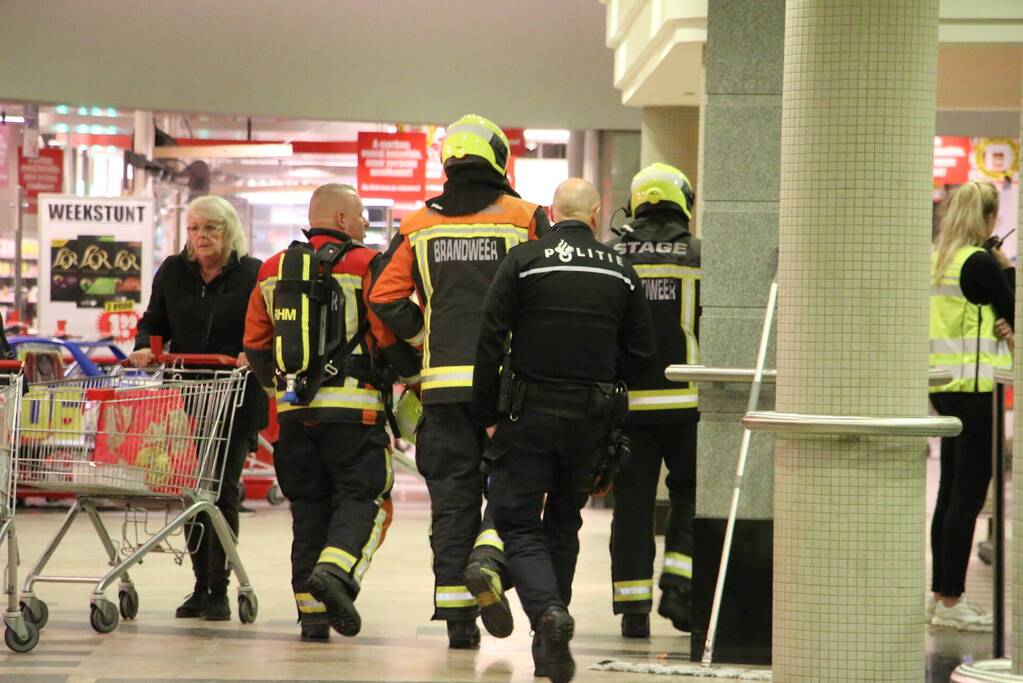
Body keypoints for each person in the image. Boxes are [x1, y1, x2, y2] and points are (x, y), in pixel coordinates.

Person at [369, 114, 550, 648]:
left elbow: (384, 297)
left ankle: (457, 621)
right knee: (515, 489)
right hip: (509, 388)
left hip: (442, 389)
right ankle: (488, 559)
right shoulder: (525, 217)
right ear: (498, 157)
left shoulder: (419, 223)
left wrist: (422, 343)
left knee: (452, 500)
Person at [472, 178, 655, 681]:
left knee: (519, 524)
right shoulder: (621, 269)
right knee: (564, 524)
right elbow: (643, 356)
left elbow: (489, 338)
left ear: (553, 212)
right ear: (596, 215)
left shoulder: (526, 260)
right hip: (590, 421)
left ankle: (550, 613)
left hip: (527, 417)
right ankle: (547, 647)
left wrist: (486, 413)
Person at [243, 183, 419, 642]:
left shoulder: (271, 269)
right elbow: (384, 332)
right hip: (356, 416)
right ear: (342, 220)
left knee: (309, 511)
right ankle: (335, 573)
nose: (364, 224)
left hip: (295, 418)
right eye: (360, 215)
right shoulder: (366, 264)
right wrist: (412, 374)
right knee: (365, 500)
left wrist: (283, 394)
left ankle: (312, 616)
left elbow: (256, 345)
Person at [130, 195, 265, 621]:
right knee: (191, 493)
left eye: (211, 228)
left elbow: (268, 328)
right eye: (193, 228)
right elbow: (153, 321)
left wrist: (252, 352)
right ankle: (199, 584)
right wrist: (142, 347)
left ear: (230, 231)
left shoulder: (253, 274)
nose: (200, 237)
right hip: (187, 398)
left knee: (221, 491)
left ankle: (220, 586)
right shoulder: (173, 271)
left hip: (234, 399)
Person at [607, 162, 701, 638]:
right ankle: (680, 586)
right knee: (689, 494)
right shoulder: (701, 254)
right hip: (688, 404)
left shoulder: (612, 255)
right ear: (683, 200)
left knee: (633, 504)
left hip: (628, 406)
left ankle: (634, 609)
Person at [929, 181, 1014, 632]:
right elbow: (1013, 308)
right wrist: (1007, 266)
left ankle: (940, 596)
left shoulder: (938, 258)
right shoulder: (980, 262)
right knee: (967, 495)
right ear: (986, 218)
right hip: (977, 390)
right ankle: (950, 599)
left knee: (949, 491)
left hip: (944, 386)